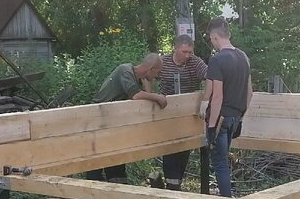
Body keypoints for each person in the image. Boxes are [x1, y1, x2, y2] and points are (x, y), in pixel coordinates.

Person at [87, 53, 166, 184]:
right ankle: (93, 190)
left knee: (116, 160)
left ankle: (117, 190)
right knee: (96, 162)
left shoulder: (137, 80)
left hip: (114, 123)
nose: (158, 76)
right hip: (99, 120)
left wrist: (148, 82)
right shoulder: (125, 70)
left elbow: (145, 95)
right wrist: (158, 98)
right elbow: (135, 95)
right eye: (157, 72)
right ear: (151, 69)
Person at [203, 17, 253, 197]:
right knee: (223, 160)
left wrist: (211, 127)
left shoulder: (217, 60)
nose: (212, 42)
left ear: (215, 37)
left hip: (221, 119)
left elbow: (217, 97)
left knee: (220, 163)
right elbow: (250, 93)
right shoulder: (243, 57)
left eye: (211, 39)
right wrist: (241, 118)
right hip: (235, 118)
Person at [156, 35, 209, 190]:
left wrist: (205, 99)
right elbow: (147, 74)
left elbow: (211, 77)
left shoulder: (195, 62)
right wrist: (152, 96)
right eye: (184, 52)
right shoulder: (163, 62)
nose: (187, 55)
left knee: (184, 148)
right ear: (175, 48)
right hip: (167, 113)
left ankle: (176, 184)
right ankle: (172, 185)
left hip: (187, 113)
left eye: (190, 52)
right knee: (169, 148)